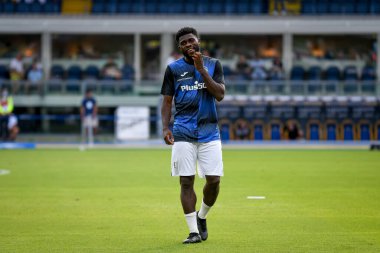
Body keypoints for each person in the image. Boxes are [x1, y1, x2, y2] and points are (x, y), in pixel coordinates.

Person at [161, 27, 225, 244]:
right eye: (184, 43)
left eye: (191, 40)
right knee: (186, 181)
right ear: (179, 47)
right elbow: (167, 101)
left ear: (198, 41)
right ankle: (193, 232)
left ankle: (202, 216)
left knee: (214, 181)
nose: (188, 45)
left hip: (209, 131)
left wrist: (202, 70)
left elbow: (220, 95)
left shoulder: (213, 64)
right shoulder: (173, 69)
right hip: (182, 131)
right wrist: (165, 127)